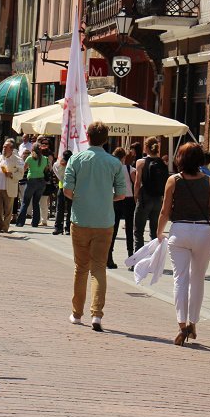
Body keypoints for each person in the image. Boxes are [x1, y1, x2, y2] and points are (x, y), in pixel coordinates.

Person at [155, 143, 210, 346]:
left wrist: (159, 232)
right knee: (198, 279)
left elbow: (165, 211)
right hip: (203, 231)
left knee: (180, 279)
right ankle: (193, 322)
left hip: (180, 231)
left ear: (180, 159)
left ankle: (182, 323)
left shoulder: (173, 180)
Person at [64, 122, 126, 332]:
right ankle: (97, 315)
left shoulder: (77, 159)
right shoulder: (114, 163)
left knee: (81, 268)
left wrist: (81, 198)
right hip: (104, 221)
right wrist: (105, 199)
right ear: (106, 139)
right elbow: (121, 194)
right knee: (99, 268)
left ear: (87, 137)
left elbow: (67, 190)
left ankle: (76, 313)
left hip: (80, 219)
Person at [133, 136, 168, 251]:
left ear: (146, 148)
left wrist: (136, 197)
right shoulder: (162, 163)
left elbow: (137, 183)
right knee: (155, 232)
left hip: (145, 197)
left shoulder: (141, 162)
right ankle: (154, 261)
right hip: (158, 199)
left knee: (138, 231)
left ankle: (137, 261)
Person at [107, 147, 137, 269]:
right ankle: (131, 260)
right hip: (129, 200)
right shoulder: (130, 169)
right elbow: (136, 184)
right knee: (129, 230)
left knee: (113, 229)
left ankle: (109, 258)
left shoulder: (111, 169)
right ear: (124, 157)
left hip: (115, 200)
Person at [0, 139, 24, 233]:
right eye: (3, 146)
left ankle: (5, 227)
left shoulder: (17, 160)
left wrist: (12, 174)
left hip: (9, 187)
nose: (4, 148)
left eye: (6, 147)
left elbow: (21, 173)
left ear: (12, 149)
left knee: (8, 209)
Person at [15, 143, 49, 228]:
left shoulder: (29, 158)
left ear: (32, 150)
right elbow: (46, 169)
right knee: (36, 202)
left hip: (31, 181)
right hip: (41, 181)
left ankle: (20, 222)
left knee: (25, 202)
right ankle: (35, 223)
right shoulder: (45, 159)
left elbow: (24, 169)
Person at [52, 150, 73, 235]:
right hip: (63, 187)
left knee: (68, 209)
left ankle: (66, 228)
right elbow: (55, 168)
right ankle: (59, 227)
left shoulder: (73, 164)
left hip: (70, 188)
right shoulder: (60, 164)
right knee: (62, 209)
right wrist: (61, 164)